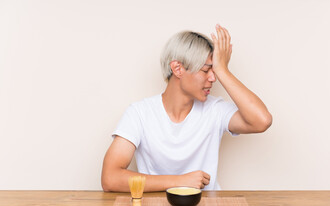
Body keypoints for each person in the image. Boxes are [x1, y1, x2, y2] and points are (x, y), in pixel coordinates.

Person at [101, 24, 272, 192]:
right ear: (177, 69)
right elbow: (110, 178)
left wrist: (223, 70)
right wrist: (180, 182)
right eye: (206, 70)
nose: (213, 78)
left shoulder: (215, 110)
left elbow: (261, 121)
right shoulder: (140, 113)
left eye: (215, 71)